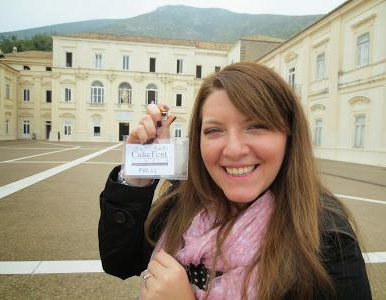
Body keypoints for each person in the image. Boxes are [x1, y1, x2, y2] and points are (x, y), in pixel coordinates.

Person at [98, 62, 372, 300]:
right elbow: (119, 262)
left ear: (289, 135)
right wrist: (136, 178)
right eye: (214, 130)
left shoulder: (326, 238)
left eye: (256, 126)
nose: (233, 149)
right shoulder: (184, 203)